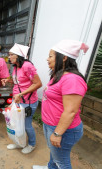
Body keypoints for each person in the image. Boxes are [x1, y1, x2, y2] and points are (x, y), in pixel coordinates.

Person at [33, 40, 89, 169]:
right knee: (55, 154)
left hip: (64, 130)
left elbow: (71, 111)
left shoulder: (72, 79)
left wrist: (58, 134)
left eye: (51, 56)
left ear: (64, 58)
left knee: (62, 161)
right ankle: (50, 167)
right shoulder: (58, 75)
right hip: (51, 124)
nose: (47, 59)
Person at [2, 43, 42, 154]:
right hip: (18, 101)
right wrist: (8, 80)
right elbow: (19, 82)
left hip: (28, 102)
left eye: (11, 55)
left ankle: (32, 144)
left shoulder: (27, 66)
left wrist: (21, 94)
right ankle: (19, 143)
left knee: (26, 125)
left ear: (18, 55)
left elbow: (38, 83)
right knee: (16, 124)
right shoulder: (16, 67)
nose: (9, 57)